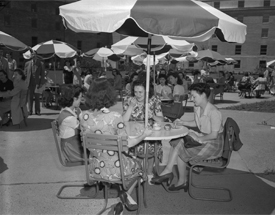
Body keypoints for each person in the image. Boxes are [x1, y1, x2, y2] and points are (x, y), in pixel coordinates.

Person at [79, 77, 152, 213]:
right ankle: (124, 197)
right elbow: (127, 144)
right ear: (109, 95)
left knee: (124, 157)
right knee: (142, 166)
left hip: (95, 169)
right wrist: (144, 135)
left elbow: (84, 142)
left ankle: (122, 200)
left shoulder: (83, 116)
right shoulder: (114, 117)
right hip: (117, 170)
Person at [151, 83, 224, 191]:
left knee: (180, 146)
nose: (191, 99)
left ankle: (175, 176)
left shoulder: (214, 112)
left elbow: (214, 135)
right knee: (179, 141)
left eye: (194, 96)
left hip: (213, 143)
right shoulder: (198, 108)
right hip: (205, 138)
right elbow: (197, 122)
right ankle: (172, 174)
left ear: (203, 95)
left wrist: (199, 138)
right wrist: (183, 122)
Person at [122, 80, 164, 180]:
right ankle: (138, 171)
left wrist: (153, 116)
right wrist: (131, 106)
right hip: (133, 133)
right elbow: (124, 120)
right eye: (135, 92)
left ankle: (149, 171)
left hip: (149, 132)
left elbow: (161, 119)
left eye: (141, 92)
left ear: (147, 91)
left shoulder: (154, 100)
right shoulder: (128, 99)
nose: (137, 95)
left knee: (152, 145)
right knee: (133, 146)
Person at [57, 84, 85, 162]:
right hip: (71, 149)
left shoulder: (68, 110)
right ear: (74, 99)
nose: (81, 100)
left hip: (73, 144)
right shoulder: (68, 117)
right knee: (97, 154)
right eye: (80, 98)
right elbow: (84, 128)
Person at [24, 51, 45, 115]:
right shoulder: (27, 63)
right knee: (29, 98)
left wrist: (41, 83)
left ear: (36, 55)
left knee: (37, 98)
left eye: (34, 54)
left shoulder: (40, 63)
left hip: (37, 83)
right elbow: (25, 73)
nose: (33, 56)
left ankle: (37, 111)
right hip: (29, 83)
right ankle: (30, 111)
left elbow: (42, 74)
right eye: (32, 54)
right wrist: (25, 82)